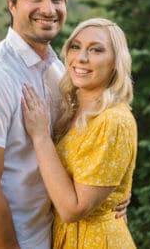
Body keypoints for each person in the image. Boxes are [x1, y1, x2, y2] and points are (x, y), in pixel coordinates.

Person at [0, 0, 128, 249]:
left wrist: (107, 195)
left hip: (49, 238)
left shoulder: (58, 73)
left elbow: (77, 153)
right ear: (12, 4)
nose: (48, 9)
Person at [21, 18, 137, 248]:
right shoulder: (71, 108)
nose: (81, 58)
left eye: (96, 50)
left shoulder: (113, 120)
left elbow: (72, 209)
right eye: (76, 46)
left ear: (116, 62)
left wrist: (41, 136)